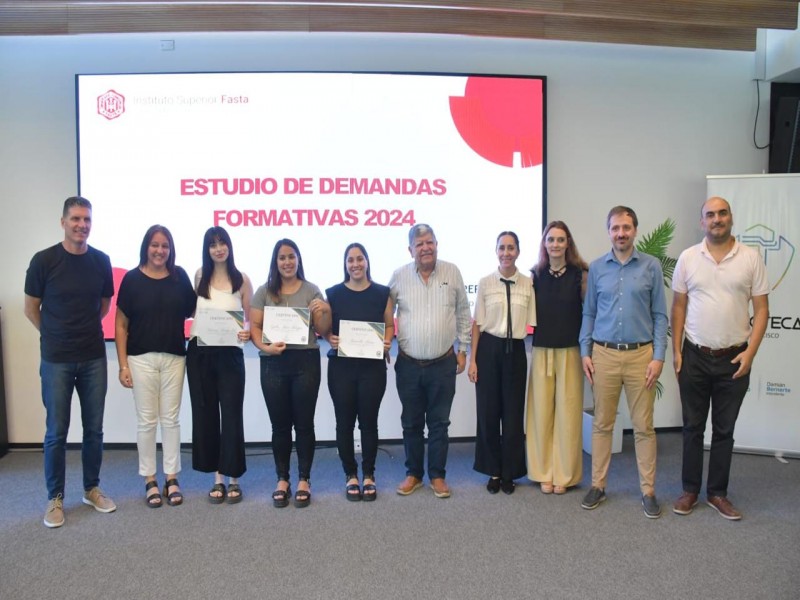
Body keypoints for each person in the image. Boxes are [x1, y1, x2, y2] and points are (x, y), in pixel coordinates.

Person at [671, 196, 769, 520]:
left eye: (722, 213)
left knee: (724, 430)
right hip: (695, 355)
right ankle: (689, 491)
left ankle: (717, 494)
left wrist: (750, 355)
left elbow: (763, 310)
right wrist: (676, 352)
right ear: (702, 222)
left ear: (731, 218)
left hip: (734, 359)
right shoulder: (688, 258)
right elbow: (679, 307)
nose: (716, 219)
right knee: (692, 428)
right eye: (710, 215)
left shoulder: (751, 258)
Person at [24, 196, 117, 528]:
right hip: (57, 360)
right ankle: (55, 498)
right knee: (56, 433)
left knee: (94, 430)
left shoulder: (101, 261)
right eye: (76, 219)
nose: (82, 225)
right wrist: (53, 334)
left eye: (87, 219)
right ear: (63, 222)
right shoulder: (44, 261)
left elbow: (104, 305)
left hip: (93, 356)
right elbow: (31, 308)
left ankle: (91, 489)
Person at [579, 206, 668, 518]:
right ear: (608, 232)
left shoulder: (651, 267)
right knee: (602, 423)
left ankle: (648, 491)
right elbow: (588, 313)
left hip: (641, 356)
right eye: (615, 228)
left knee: (644, 426)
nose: (621, 233)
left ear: (635, 230)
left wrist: (658, 358)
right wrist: (585, 351)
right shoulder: (597, 268)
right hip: (603, 354)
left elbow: (660, 315)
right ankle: (598, 485)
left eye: (626, 227)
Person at [115, 225, 196, 508]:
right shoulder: (132, 279)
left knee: (171, 420)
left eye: (165, 246)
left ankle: (171, 478)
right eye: (155, 245)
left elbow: (197, 311)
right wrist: (123, 365)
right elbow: (121, 324)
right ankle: (150, 479)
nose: (160, 250)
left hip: (175, 357)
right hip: (140, 359)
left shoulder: (180, 277)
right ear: (146, 247)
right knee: (147, 421)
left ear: (170, 249)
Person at [389, 224, 471, 499]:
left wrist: (464, 350)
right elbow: (387, 316)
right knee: (411, 422)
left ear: (437, 244)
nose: (425, 248)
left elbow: (463, 313)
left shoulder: (452, 272)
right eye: (419, 244)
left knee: (439, 423)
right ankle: (413, 474)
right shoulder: (398, 277)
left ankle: (437, 475)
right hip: (409, 364)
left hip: (443, 363)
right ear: (410, 249)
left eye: (430, 242)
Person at [250, 238, 331, 509]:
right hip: (273, 362)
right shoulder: (263, 292)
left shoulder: (312, 290)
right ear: (276, 261)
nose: (287, 262)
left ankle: (304, 480)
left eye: (291, 257)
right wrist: (266, 347)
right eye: (282, 257)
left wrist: (323, 310)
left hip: (305, 360)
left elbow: (322, 329)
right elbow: (255, 328)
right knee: (280, 426)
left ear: (298, 260)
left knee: (304, 424)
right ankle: (282, 479)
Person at [186, 226, 253, 505]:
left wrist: (246, 332)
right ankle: (217, 478)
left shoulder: (242, 280)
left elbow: (249, 319)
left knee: (232, 414)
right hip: (200, 354)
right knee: (207, 415)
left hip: (230, 356)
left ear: (229, 246)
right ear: (207, 249)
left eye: (222, 242)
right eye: (212, 244)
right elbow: (193, 312)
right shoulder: (199, 276)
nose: (218, 248)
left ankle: (234, 478)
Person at [468, 231, 536, 495]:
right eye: (501, 248)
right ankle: (493, 470)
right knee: (488, 412)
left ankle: (510, 471)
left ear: (518, 251)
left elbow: (532, 323)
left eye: (511, 247)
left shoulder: (528, 284)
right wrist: (473, 360)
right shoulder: (485, 283)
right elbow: (477, 325)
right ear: (496, 251)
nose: (506, 252)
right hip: (488, 349)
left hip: (515, 351)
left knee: (512, 413)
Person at [325, 243, 394, 501]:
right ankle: (350, 475)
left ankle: (368, 475)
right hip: (341, 369)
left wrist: (387, 341)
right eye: (350, 260)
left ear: (367, 261)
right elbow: (325, 328)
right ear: (345, 264)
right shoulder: (332, 294)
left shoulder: (382, 293)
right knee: (344, 423)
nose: (355, 264)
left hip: (372, 369)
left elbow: (389, 325)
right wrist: (329, 337)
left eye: (360, 259)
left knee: (368, 423)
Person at [525, 221, 588, 495]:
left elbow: (590, 313)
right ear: (544, 244)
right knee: (540, 414)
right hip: (541, 351)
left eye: (561, 240)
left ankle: (564, 473)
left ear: (568, 243)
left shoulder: (581, 274)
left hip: (570, 352)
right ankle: (542, 472)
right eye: (550, 240)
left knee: (568, 414)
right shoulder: (534, 275)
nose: (555, 245)